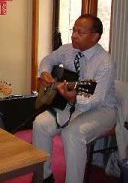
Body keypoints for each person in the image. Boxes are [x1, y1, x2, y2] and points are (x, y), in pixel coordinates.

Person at [32, 14, 118, 183]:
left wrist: (75, 99)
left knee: (73, 132)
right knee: (40, 124)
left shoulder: (104, 62)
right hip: (72, 103)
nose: (74, 35)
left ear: (95, 37)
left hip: (102, 109)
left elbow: (96, 99)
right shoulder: (68, 50)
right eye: (73, 30)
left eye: (80, 32)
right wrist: (44, 72)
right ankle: (45, 176)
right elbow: (48, 59)